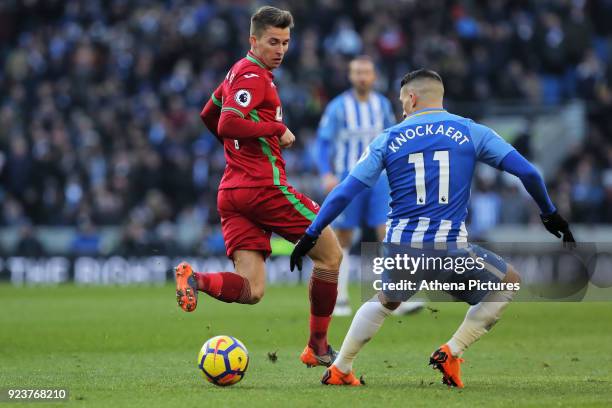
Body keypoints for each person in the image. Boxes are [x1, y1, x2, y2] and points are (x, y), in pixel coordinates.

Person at [290, 69, 575, 386]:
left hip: (401, 248)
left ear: (412, 98)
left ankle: (341, 367)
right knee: (507, 282)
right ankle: (452, 351)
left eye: (402, 101)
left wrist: (312, 232)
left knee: (386, 300)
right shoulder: (470, 131)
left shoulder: (389, 138)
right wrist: (549, 213)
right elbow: (529, 173)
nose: (402, 109)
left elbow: (345, 191)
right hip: (449, 248)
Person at [175, 6, 343, 368]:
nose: (280, 49)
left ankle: (196, 279)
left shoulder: (237, 71)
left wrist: (239, 155)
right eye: (272, 41)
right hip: (264, 187)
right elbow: (227, 124)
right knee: (331, 254)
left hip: (232, 192)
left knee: (252, 289)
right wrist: (274, 130)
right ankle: (318, 346)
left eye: (285, 42)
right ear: (253, 40)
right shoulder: (253, 75)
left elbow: (209, 114)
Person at [316, 55, 424, 316]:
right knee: (343, 236)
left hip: (380, 180)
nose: (362, 77)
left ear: (374, 76)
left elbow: (394, 139)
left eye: (366, 72)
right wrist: (326, 173)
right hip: (348, 177)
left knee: (387, 233)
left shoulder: (382, 105)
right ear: (350, 76)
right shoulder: (338, 107)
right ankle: (339, 298)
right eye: (357, 72)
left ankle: (394, 297)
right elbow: (323, 143)